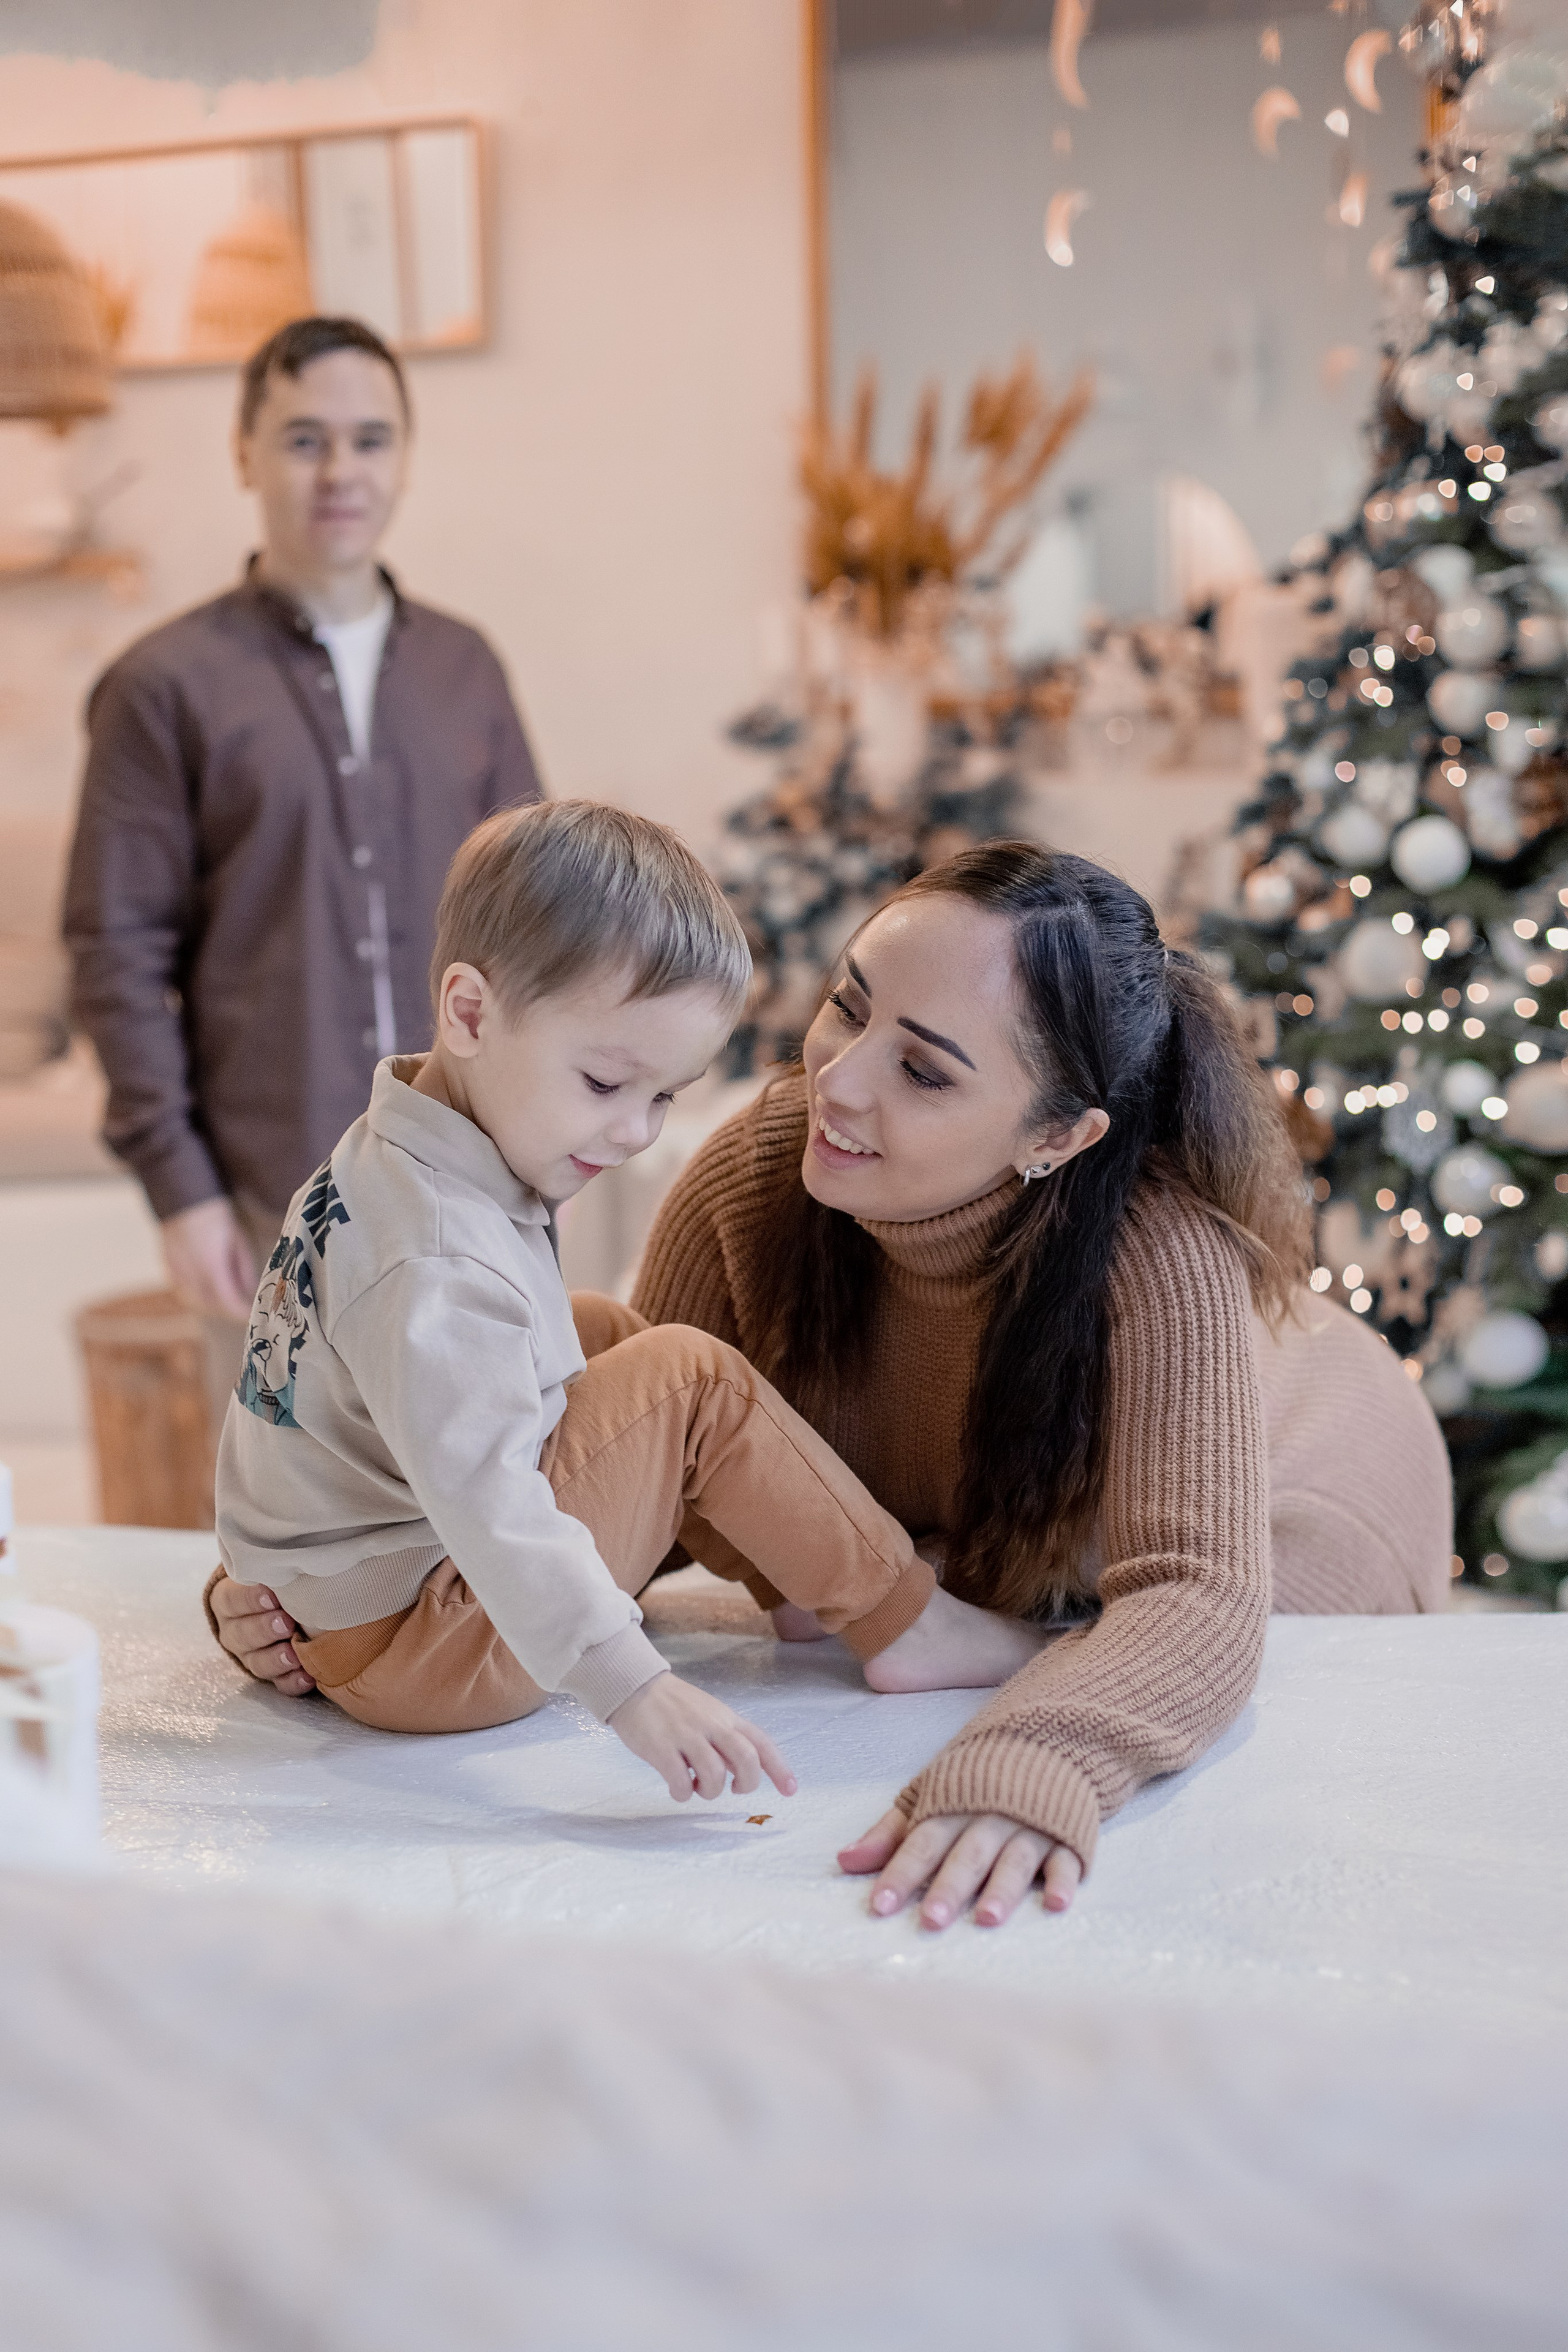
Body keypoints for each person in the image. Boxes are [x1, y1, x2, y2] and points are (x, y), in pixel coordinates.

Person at [213, 843, 1452, 1924]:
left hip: (1308, 1487)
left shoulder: (1154, 1258)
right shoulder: (762, 1175)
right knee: (619, 1348)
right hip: (957, 1562)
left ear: (1053, 1138)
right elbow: (610, 1470)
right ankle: (935, 1606)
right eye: (846, 1009)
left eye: (922, 1071)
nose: (840, 1083)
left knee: (1242, 1726)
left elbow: (1194, 1598)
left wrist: (1027, 1764)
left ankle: (945, 1618)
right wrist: (302, 1573)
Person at [209, 802, 1038, 1804]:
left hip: (353, 1611)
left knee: (596, 1331)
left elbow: (302, 1410)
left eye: (664, 1097)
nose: (637, 1132)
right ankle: (908, 1623)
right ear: (469, 1014)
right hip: (425, 1644)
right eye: (607, 1081)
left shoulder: (393, 1158)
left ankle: (797, 1585)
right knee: (684, 1379)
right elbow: (493, 1503)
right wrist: (634, 1687)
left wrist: (262, 1574)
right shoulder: (433, 1257)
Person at [64, 314, 541, 1318]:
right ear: (245, 452)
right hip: (266, 1196)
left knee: (492, 1467)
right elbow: (115, 950)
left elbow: (541, 920)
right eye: (303, 439)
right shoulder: (160, 688)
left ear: (404, 459)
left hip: (475, 1175)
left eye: (370, 440)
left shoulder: (467, 669)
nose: (340, 472)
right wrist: (180, 1192)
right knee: (285, 1479)